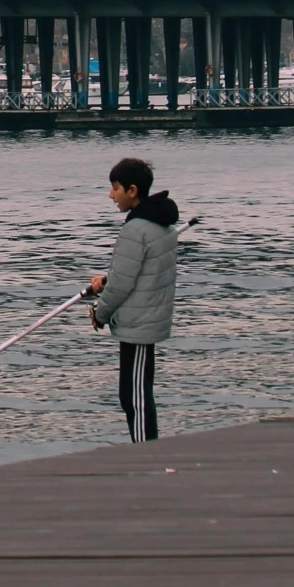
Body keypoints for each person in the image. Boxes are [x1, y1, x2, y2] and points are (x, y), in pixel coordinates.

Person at [88, 155, 179, 443]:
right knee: (132, 392)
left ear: (132, 191)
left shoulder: (135, 229)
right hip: (144, 319)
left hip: (139, 324)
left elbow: (122, 285)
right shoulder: (159, 224)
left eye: (115, 188)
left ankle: (146, 455)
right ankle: (144, 449)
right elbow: (134, 273)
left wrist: (99, 314)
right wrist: (107, 281)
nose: (111, 195)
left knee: (135, 396)